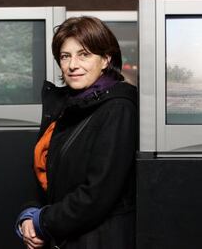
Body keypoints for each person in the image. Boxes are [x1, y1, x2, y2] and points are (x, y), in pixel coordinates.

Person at [15, 16, 137, 249]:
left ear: (105, 60)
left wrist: (43, 221)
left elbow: (98, 195)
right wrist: (29, 215)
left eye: (84, 54)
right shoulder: (64, 106)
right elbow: (46, 173)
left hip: (101, 240)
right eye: (65, 56)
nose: (73, 65)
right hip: (65, 237)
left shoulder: (119, 107)